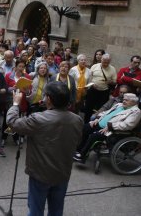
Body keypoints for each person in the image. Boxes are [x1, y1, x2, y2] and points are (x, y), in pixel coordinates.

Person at [6, 82, 83, 216]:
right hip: (63, 172)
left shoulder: (39, 119)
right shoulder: (77, 119)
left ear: (48, 99)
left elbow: (13, 122)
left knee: (36, 209)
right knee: (56, 209)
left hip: (41, 174)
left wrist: (15, 104)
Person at [74, 93, 141, 163]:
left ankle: (82, 156)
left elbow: (127, 125)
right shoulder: (119, 105)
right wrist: (97, 119)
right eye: (124, 99)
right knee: (85, 128)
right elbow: (105, 113)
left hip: (113, 131)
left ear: (133, 102)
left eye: (127, 100)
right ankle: (78, 150)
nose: (124, 101)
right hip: (100, 124)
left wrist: (110, 126)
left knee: (94, 136)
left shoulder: (135, 112)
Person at [84, 54, 117, 122]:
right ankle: (86, 122)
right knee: (88, 107)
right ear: (101, 59)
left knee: (100, 108)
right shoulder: (94, 66)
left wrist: (110, 82)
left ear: (109, 61)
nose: (105, 64)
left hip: (104, 92)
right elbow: (89, 77)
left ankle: (95, 122)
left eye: (107, 62)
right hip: (93, 90)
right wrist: (91, 84)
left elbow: (115, 82)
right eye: (104, 62)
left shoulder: (112, 69)